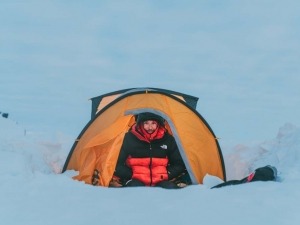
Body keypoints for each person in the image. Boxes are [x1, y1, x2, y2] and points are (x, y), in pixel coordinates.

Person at [111, 112, 187, 189]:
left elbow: (179, 164)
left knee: (172, 191)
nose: (150, 127)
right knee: (133, 191)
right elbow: (115, 164)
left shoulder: (168, 139)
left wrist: (167, 174)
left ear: (158, 124)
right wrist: (131, 175)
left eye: (153, 123)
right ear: (140, 123)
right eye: (146, 123)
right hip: (135, 181)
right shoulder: (129, 139)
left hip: (161, 181)